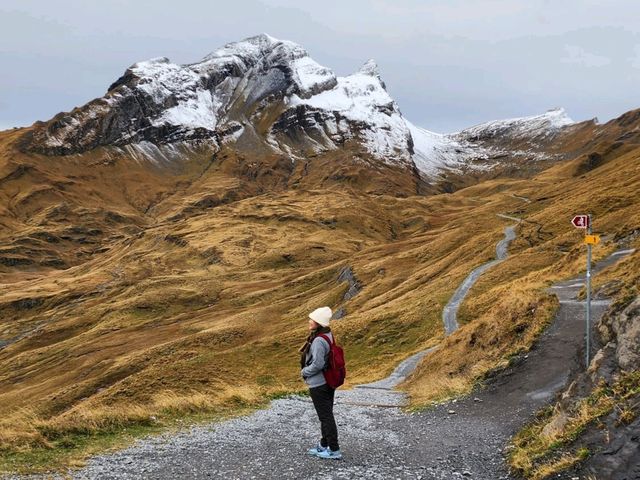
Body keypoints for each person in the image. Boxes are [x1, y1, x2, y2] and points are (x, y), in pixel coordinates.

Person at [299, 306, 342, 460]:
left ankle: (334, 449)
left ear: (318, 323)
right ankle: (324, 445)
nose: (309, 321)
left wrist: (304, 372)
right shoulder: (328, 334)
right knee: (326, 414)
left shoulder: (318, 340)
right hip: (328, 381)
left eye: (312, 319)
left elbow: (317, 364)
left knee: (325, 417)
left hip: (319, 384)